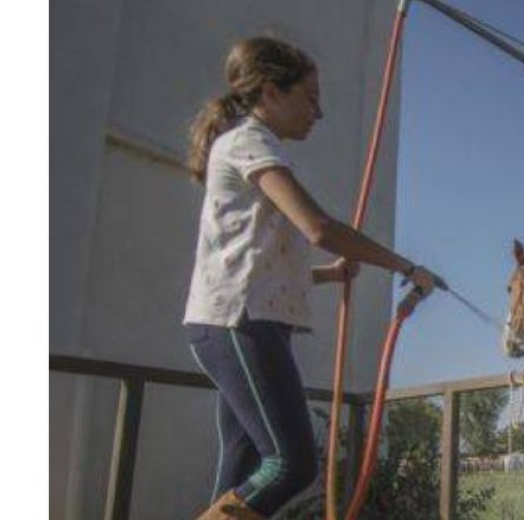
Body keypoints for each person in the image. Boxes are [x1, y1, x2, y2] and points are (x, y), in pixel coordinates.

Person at [182, 36, 441, 519]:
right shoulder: (248, 141)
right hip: (238, 324)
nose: (317, 112)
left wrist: (329, 274)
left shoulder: (249, 143)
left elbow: (261, 262)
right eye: (310, 97)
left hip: (242, 320)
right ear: (270, 92)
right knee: (291, 464)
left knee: (243, 467)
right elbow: (318, 227)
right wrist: (406, 266)